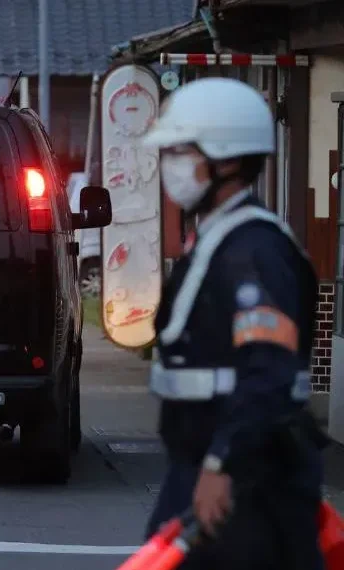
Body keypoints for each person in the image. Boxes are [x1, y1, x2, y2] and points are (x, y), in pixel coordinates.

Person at [141, 77, 328, 568]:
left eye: (181, 151)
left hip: (244, 482)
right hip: (208, 471)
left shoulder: (253, 253)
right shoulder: (219, 241)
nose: (169, 166)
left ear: (226, 160)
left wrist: (221, 464)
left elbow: (268, 370)